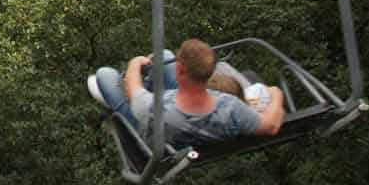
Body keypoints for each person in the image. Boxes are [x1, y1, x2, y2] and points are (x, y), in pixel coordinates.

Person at [89, 38, 285, 148]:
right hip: (187, 120)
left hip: (151, 130)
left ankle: (130, 96)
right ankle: (150, 81)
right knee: (164, 55)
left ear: (180, 69)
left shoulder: (154, 106)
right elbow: (271, 126)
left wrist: (134, 64)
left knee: (104, 75)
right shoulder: (231, 107)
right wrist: (276, 94)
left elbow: (134, 90)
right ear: (209, 72)